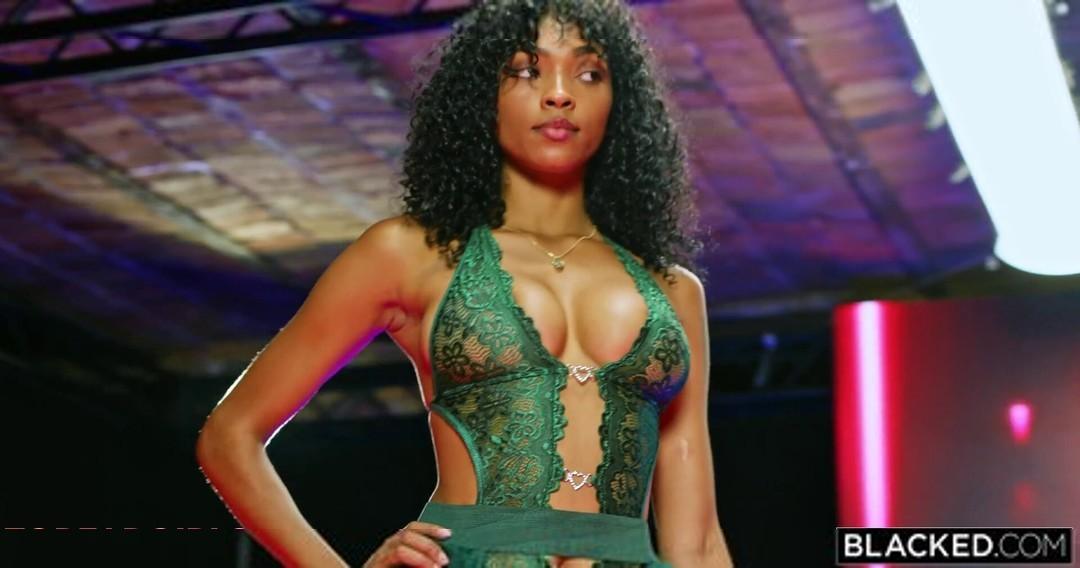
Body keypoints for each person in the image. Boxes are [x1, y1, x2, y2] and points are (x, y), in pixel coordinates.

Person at [196, 0, 733, 566]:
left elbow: (697, 541)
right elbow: (230, 435)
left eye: (589, 73)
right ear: (482, 95)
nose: (559, 94)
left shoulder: (673, 290)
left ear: (618, 102)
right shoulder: (408, 253)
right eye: (526, 71)